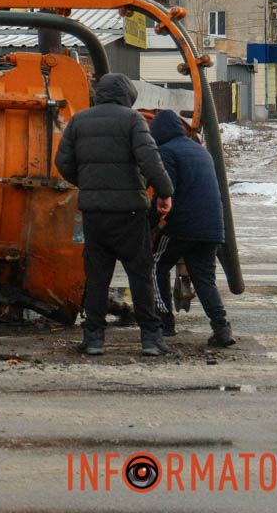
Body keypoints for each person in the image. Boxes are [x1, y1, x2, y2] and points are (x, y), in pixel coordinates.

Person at [54, 73, 175, 357]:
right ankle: (151, 339)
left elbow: (62, 162)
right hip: (129, 212)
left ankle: (94, 338)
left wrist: (88, 183)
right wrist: (165, 191)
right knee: (140, 274)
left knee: (97, 276)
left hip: (95, 213)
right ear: (127, 95)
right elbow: (150, 158)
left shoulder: (79, 121)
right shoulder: (133, 120)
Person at [149, 109, 236, 347]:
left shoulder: (167, 152)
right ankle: (222, 329)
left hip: (184, 226)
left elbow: (165, 193)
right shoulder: (201, 151)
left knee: (155, 264)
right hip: (213, 227)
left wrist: (148, 225)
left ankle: (164, 321)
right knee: (204, 278)